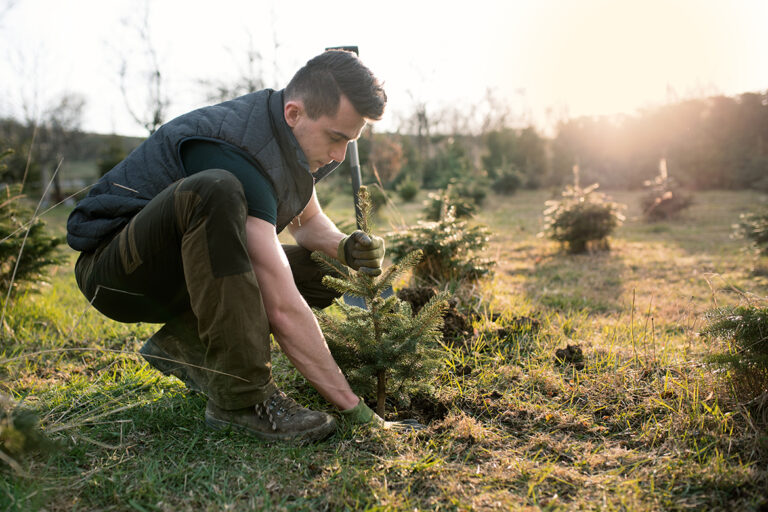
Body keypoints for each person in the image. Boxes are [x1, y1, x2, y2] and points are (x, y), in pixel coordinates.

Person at [66, 49, 398, 442]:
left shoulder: (287, 135)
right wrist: (353, 407)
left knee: (324, 269)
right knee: (216, 189)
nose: (339, 155)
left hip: (182, 267)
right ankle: (242, 400)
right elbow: (281, 304)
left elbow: (307, 222)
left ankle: (187, 343)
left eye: (350, 141)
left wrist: (344, 248)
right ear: (294, 113)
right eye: (336, 137)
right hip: (117, 271)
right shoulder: (240, 149)